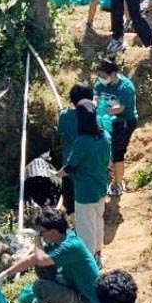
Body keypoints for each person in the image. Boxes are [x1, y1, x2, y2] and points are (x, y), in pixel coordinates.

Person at [0, 208, 100, 303]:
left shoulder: (71, 246)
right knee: (41, 268)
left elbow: (41, 259)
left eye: (42, 232)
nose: (41, 235)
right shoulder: (61, 239)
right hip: (79, 294)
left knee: (40, 286)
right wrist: (6, 273)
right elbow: (34, 258)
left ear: (54, 232)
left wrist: (36, 240)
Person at [58, 100, 111, 264]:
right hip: (101, 188)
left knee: (85, 230)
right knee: (97, 223)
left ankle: (89, 265)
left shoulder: (81, 142)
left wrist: (56, 174)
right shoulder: (105, 137)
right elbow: (107, 163)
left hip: (84, 193)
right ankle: (98, 256)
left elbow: (71, 167)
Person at [94, 58, 138, 196]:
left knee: (118, 153)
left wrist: (104, 110)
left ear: (113, 74)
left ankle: (118, 184)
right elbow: (95, 96)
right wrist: (94, 105)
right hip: (106, 121)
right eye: (99, 76)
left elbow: (120, 108)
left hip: (123, 122)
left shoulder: (126, 87)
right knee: (103, 148)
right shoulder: (101, 82)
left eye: (103, 76)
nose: (101, 79)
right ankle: (108, 172)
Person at [57, 82, 95, 215]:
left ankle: (74, 221)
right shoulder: (96, 117)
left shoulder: (64, 116)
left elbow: (60, 130)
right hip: (91, 169)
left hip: (69, 168)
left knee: (71, 205)